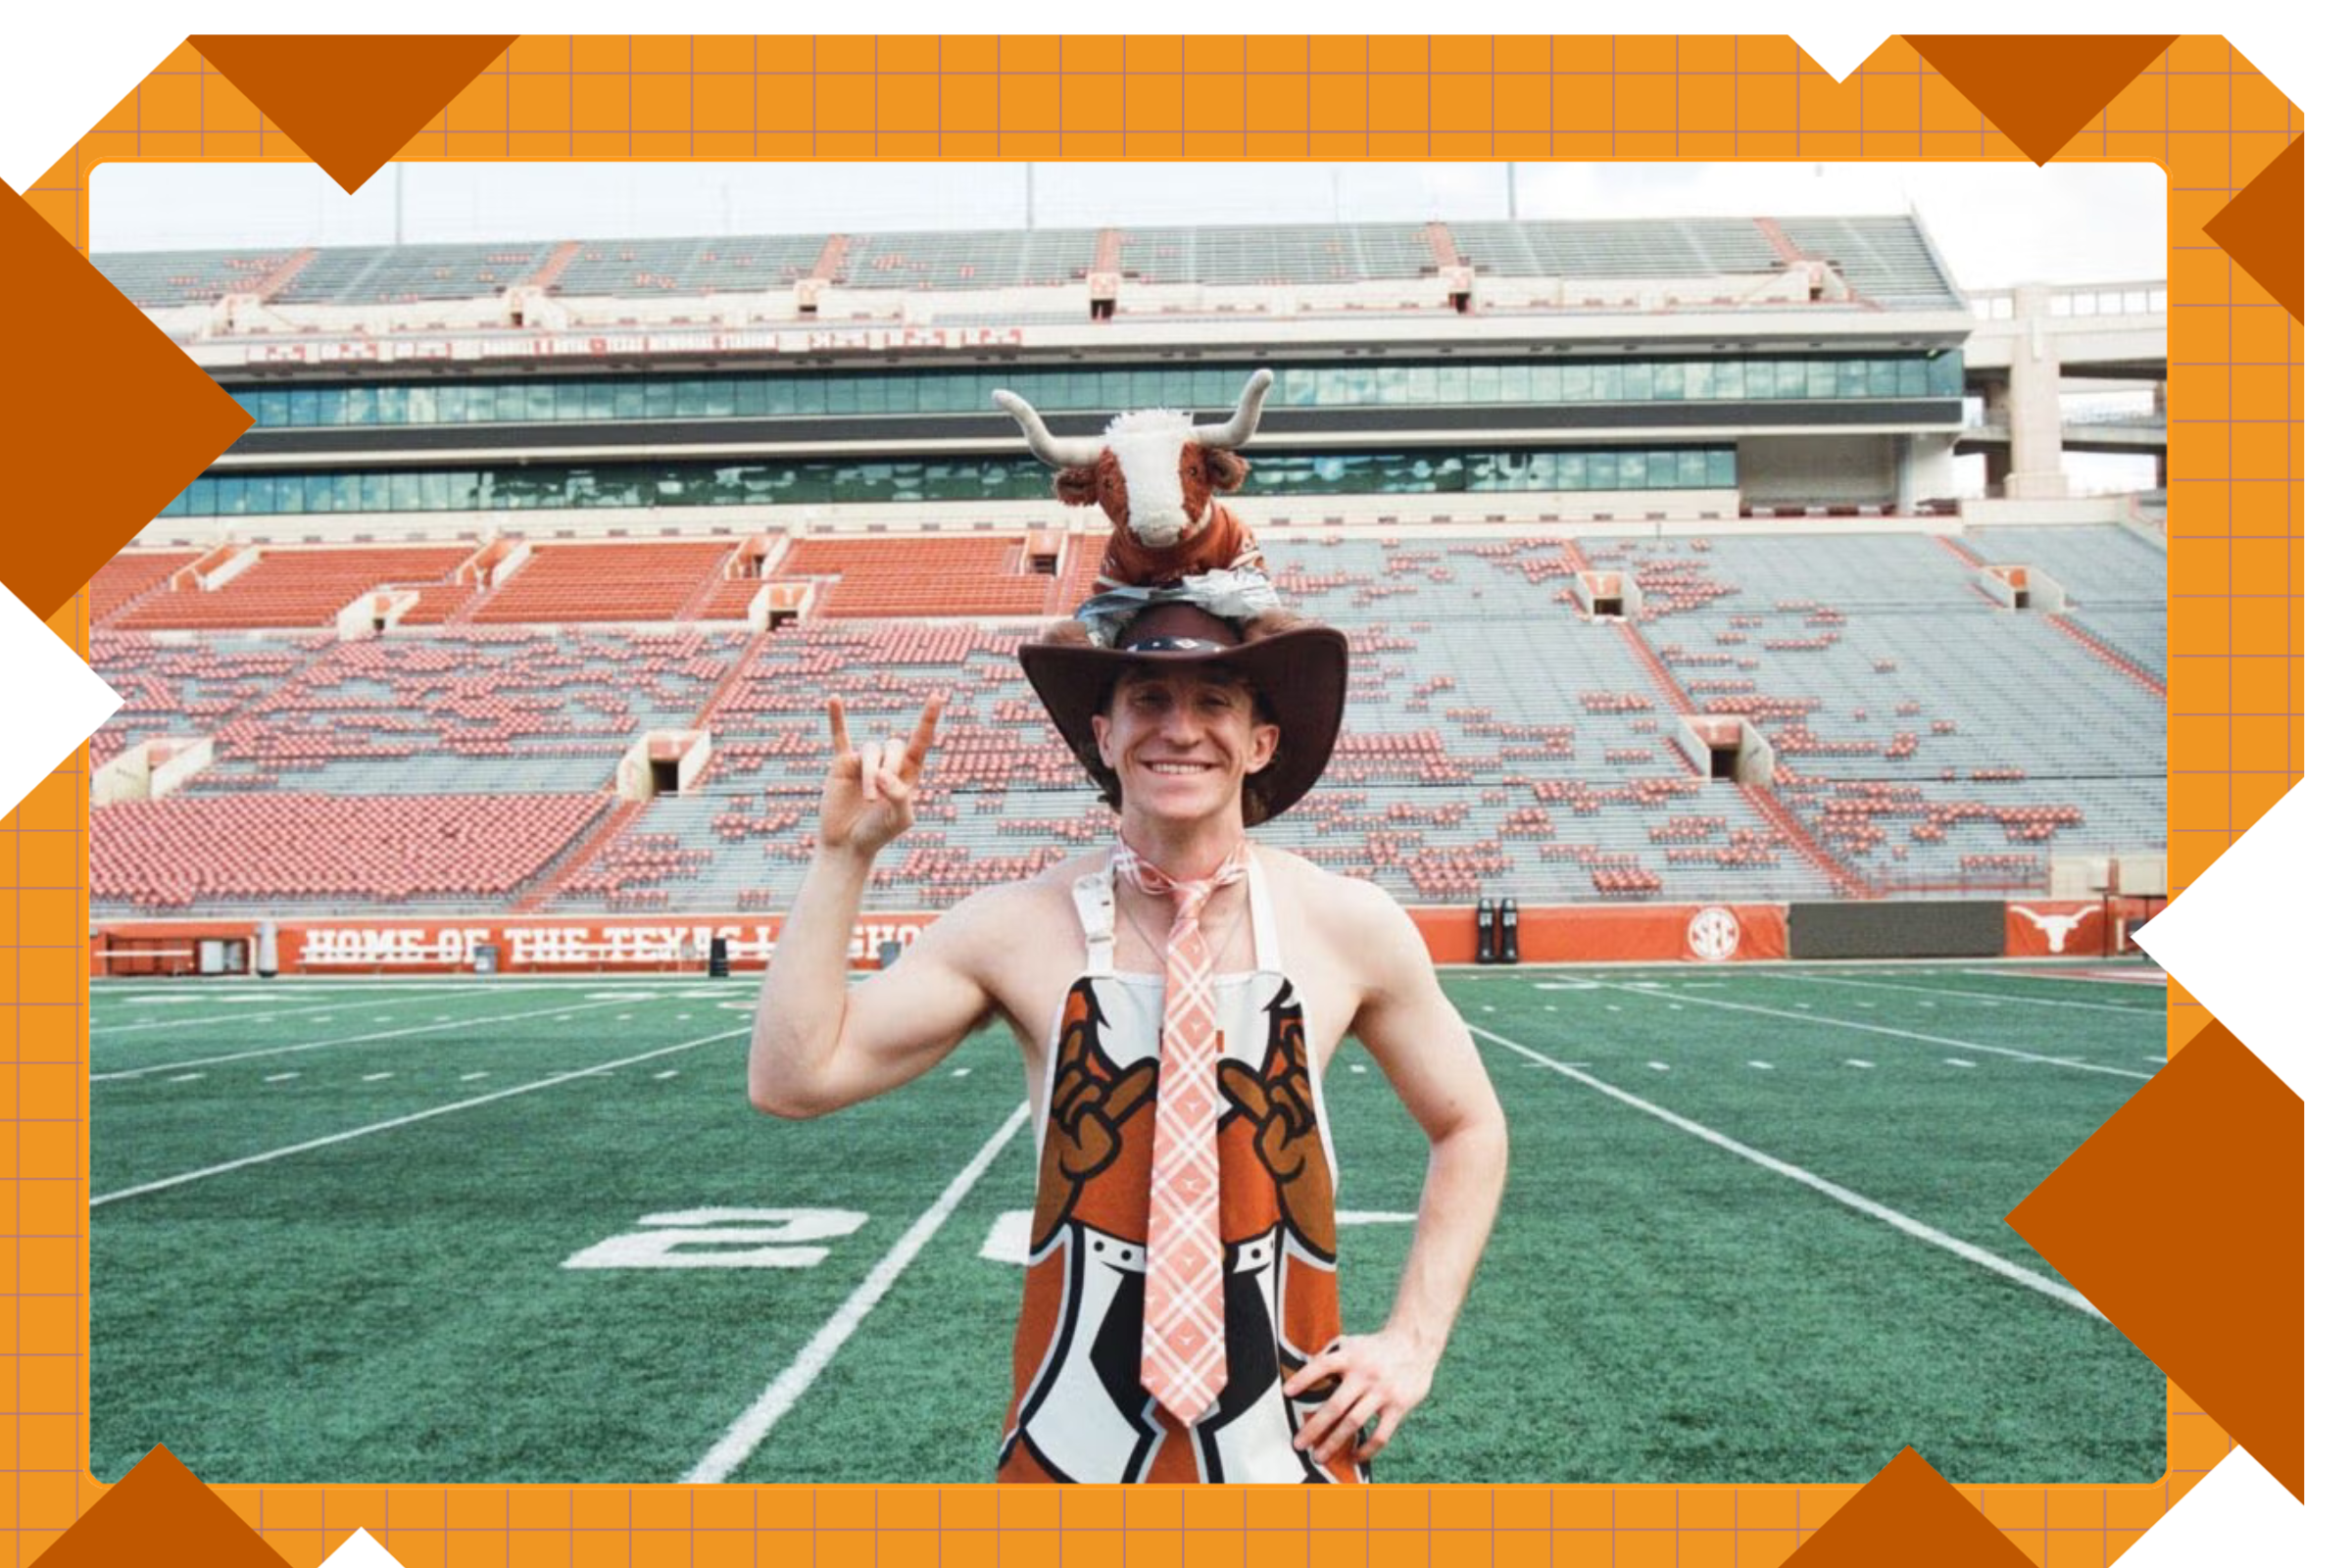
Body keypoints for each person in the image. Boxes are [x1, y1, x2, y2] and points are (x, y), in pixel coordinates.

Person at [750, 595, 1508, 1484]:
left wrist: (1413, 1342)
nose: (1179, 730)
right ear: (1103, 738)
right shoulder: (1015, 926)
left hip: (1292, 1447)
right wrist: (844, 858)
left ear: (1260, 742)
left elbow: (1471, 1126)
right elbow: (793, 1078)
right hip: (1071, 1444)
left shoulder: (1347, 923)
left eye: (1215, 702)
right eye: (1149, 700)